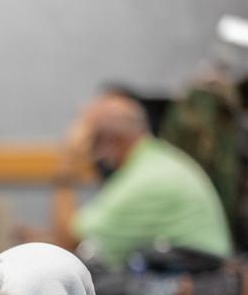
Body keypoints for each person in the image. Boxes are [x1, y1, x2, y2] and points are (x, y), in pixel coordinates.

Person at [47, 92, 233, 267]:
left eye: (93, 141)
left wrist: (68, 164)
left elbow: (69, 243)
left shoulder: (146, 180)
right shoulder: (156, 161)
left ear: (113, 140)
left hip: (195, 285)